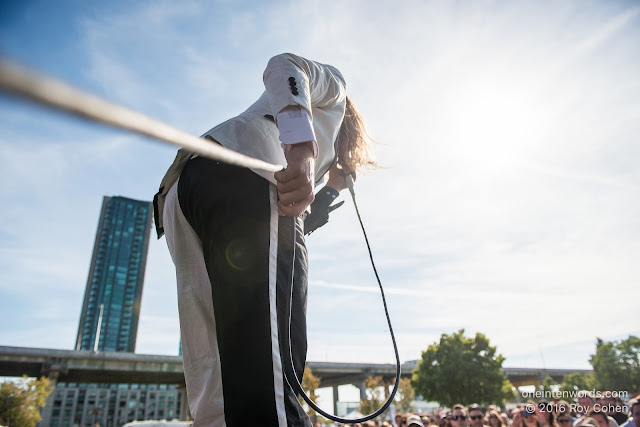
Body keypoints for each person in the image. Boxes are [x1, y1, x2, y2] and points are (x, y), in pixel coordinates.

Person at [154, 53, 378, 426]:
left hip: (184, 192)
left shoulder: (311, 153)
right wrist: (304, 149)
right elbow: (287, 65)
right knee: (269, 373)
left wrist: (330, 188)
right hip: (250, 168)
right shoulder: (335, 91)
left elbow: (291, 225)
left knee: (217, 373)